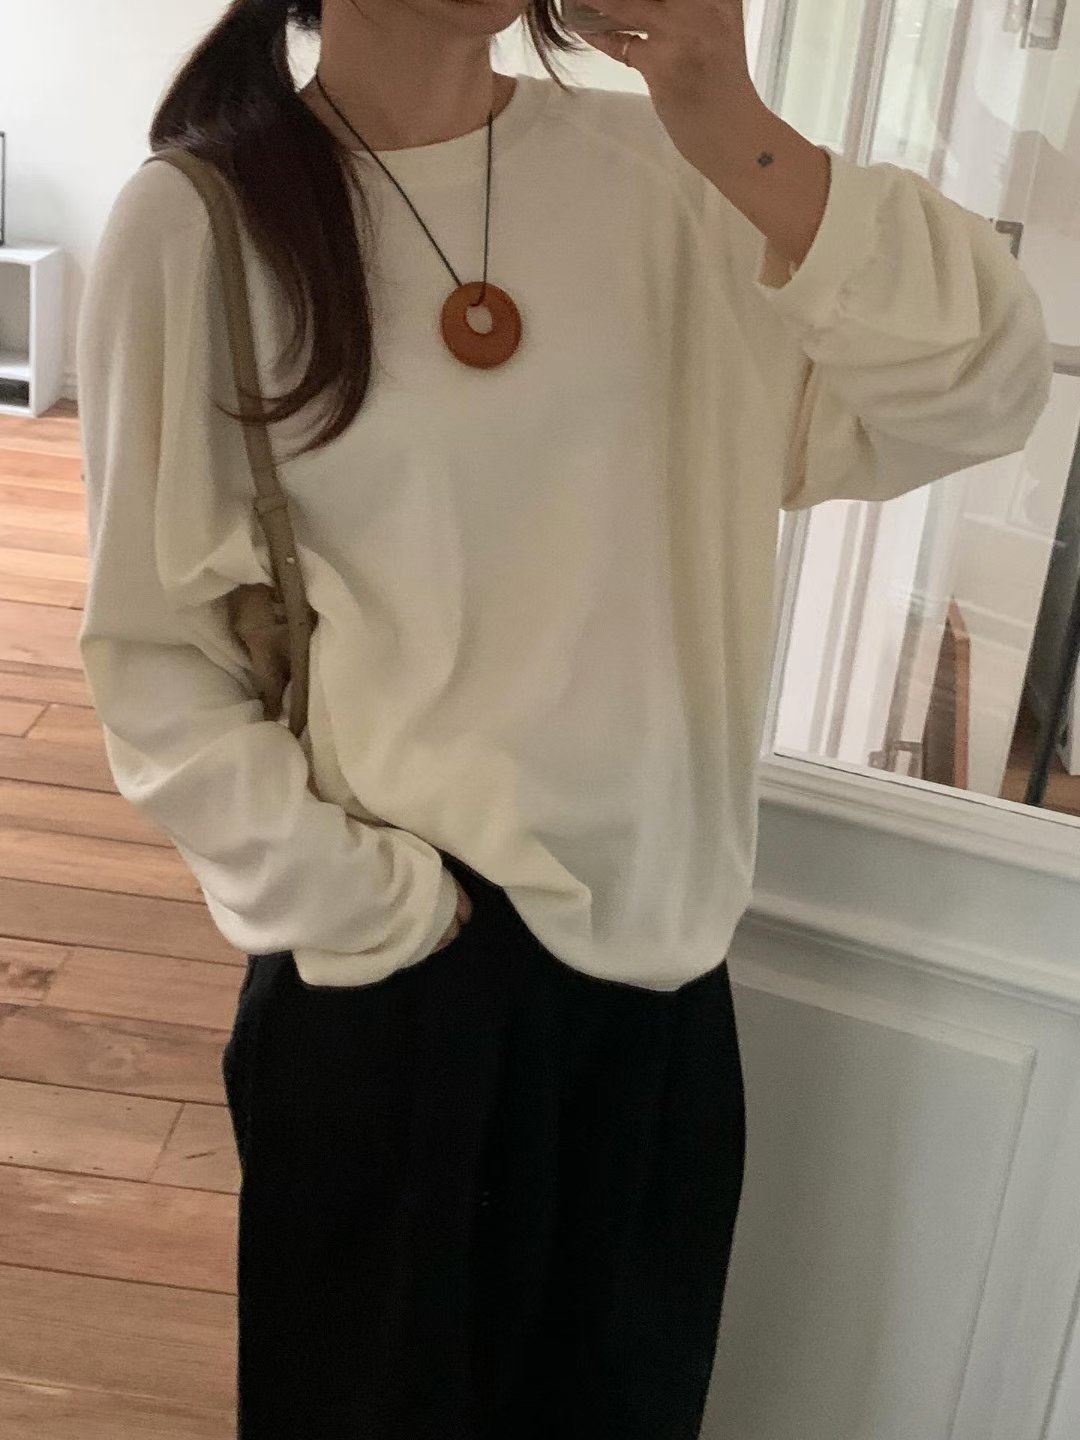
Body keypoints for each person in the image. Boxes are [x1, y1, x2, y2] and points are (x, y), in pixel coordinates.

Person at [75, 0, 1052, 1435]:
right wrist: (365, 906)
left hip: (655, 988)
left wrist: (739, 132)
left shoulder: (676, 181)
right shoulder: (200, 224)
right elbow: (154, 655)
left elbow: (989, 390)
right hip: (390, 981)